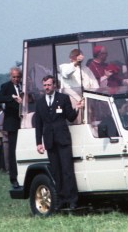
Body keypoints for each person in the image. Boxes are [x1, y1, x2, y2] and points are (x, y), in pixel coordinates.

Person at [35, 75, 83, 210]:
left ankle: (72, 199)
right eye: (44, 85)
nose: (47, 88)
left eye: (49, 85)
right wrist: (39, 143)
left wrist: (77, 108)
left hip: (63, 140)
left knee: (67, 170)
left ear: (54, 85)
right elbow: (38, 124)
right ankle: (61, 199)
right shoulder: (39, 103)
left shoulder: (63, 98)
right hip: (49, 141)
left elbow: (71, 117)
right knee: (56, 172)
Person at [0, 67, 23, 189]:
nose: (16, 79)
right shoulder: (6, 86)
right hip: (12, 122)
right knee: (13, 151)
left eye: (18, 77)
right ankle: (14, 178)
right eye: (14, 77)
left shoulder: (23, 85)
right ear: (10, 76)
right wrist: (11, 97)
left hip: (24, 121)